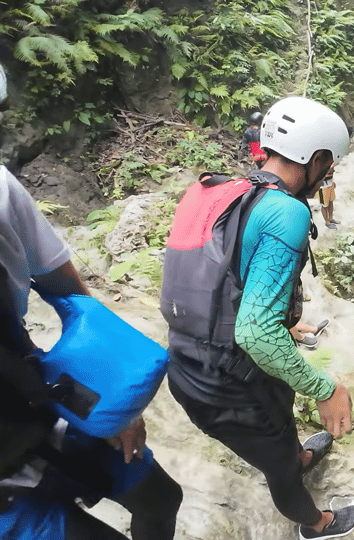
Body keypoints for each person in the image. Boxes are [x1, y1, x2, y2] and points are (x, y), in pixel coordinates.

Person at [161, 96, 354, 540]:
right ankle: (316, 524)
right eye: (329, 165)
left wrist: (284, 324)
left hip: (188, 367)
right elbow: (254, 331)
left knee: (280, 423)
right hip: (231, 388)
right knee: (279, 470)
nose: (328, 174)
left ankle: (298, 457)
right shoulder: (285, 211)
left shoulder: (216, 189)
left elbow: (214, 276)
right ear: (318, 159)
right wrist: (326, 389)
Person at [0, 62, 182, 540]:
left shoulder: (1, 193)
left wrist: (112, 401)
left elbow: (66, 294)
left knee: (161, 497)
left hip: (31, 394)